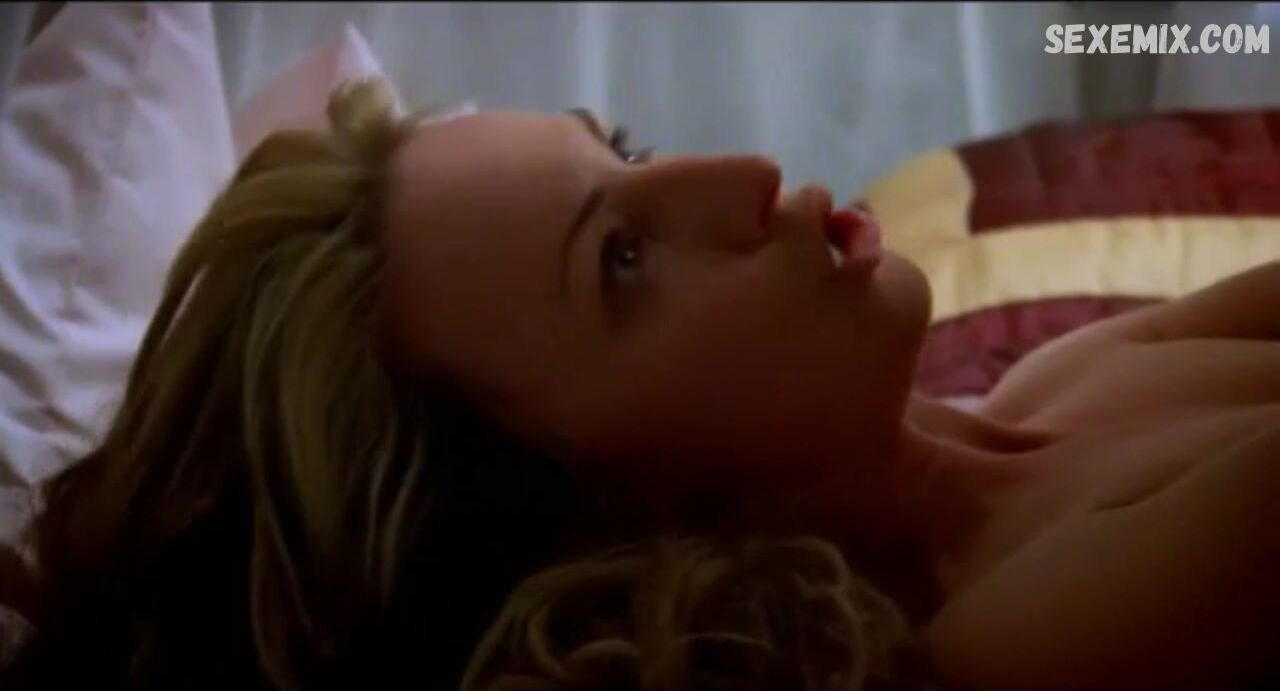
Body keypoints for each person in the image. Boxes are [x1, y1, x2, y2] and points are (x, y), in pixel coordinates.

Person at [1, 76, 1276, 690]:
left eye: (626, 151)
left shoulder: (1056, 386)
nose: (742, 176)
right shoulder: (1044, 632)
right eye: (622, 260)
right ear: (604, 519)